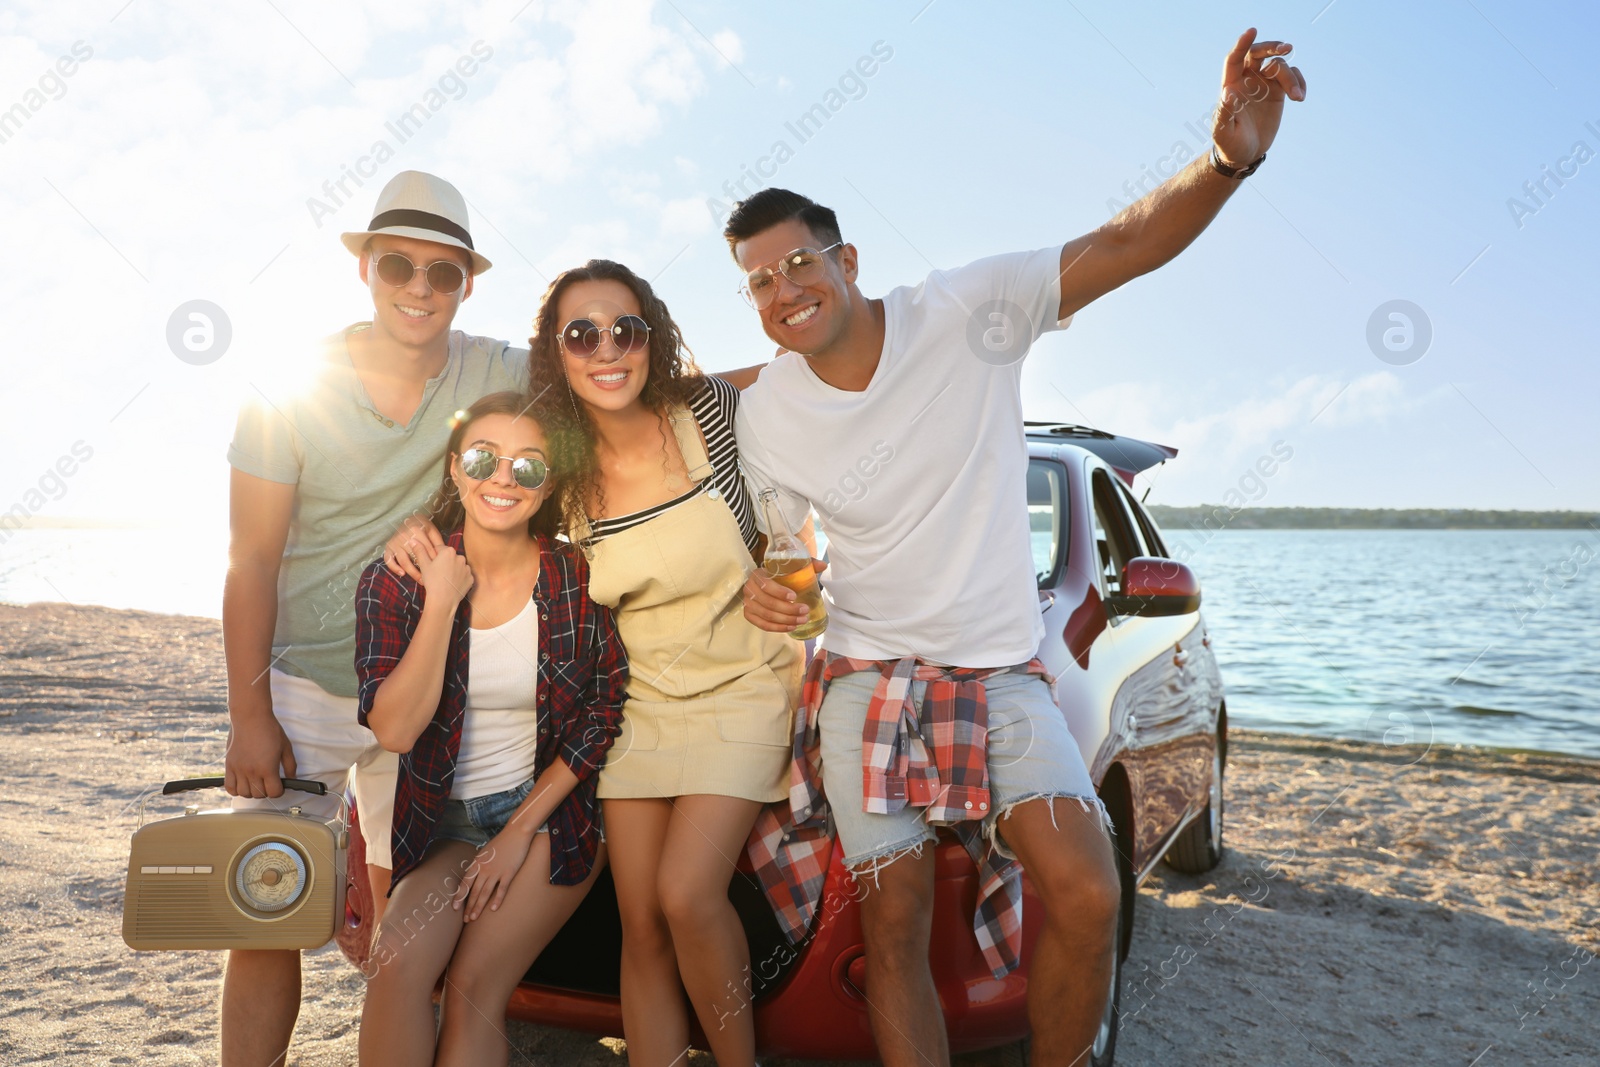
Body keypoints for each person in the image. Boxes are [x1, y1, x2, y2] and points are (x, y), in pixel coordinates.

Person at [734, 29, 1306, 1067]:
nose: (784, 290)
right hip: (866, 677)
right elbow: (785, 553)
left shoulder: (969, 309)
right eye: (759, 281)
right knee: (895, 915)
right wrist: (766, 596)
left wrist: (1227, 159)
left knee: (1087, 889)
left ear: (847, 261)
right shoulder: (768, 408)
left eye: (799, 262)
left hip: (1002, 676)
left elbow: (1124, 243)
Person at [387, 260, 796, 1067]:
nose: (607, 349)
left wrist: (777, 579)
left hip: (745, 686)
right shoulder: (564, 470)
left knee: (686, 893)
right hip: (637, 705)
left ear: (652, 339)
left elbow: (801, 378)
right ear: (557, 352)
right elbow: (481, 506)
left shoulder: (706, 413)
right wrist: (412, 530)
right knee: (640, 921)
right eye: (582, 334)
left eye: (625, 330)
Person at [221, 169, 526, 1066]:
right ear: (366, 270)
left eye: (444, 272)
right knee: (267, 908)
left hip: (425, 681)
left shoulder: (496, 368)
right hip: (306, 683)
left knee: (403, 920)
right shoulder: (290, 385)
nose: (420, 288)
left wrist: (786, 376)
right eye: (398, 265)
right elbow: (251, 559)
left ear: (467, 284)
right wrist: (249, 713)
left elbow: (622, 380)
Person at [355, 392, 626, 1066]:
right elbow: (396, 729)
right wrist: (442, 601)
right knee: (393, 963)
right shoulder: (396, 581)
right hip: (445, 823)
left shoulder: (577, 576)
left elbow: (602, 713)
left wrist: (517, 831)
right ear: (455, 468)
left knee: (474, 989)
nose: (504, 478)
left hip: (553, 816)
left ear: (548, 486)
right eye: (483, 459)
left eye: (528, 466)